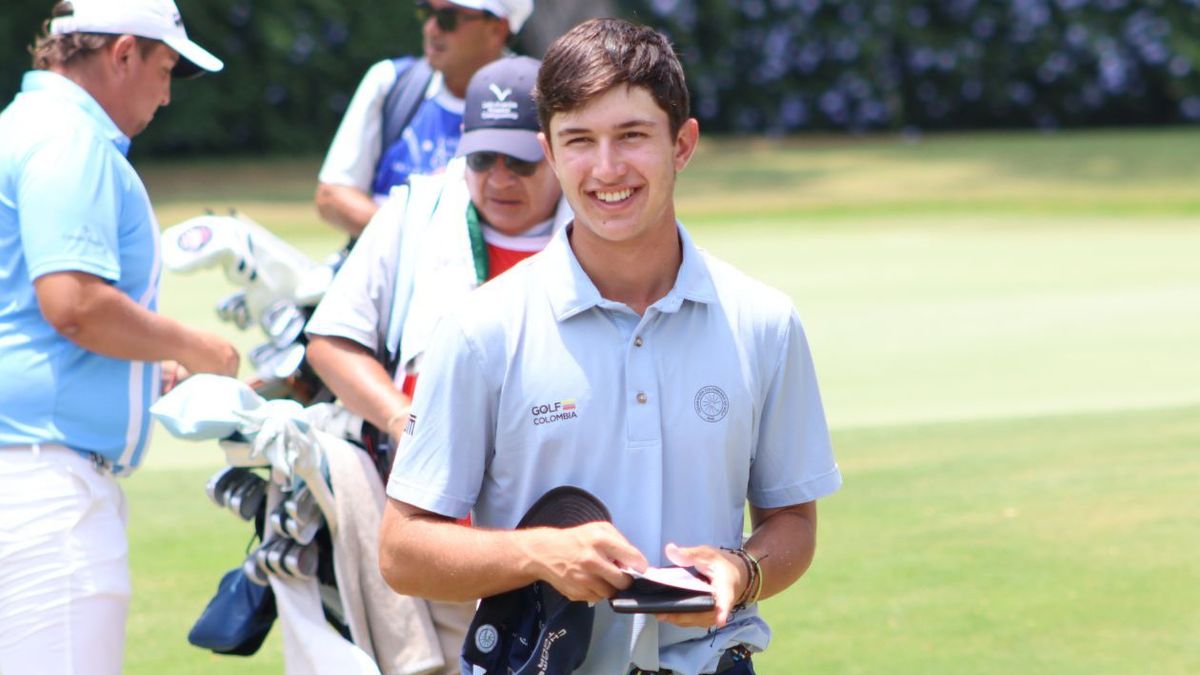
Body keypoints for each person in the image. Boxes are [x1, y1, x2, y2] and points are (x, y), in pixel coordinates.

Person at [377, 17, 843, 674]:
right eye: (579, 140)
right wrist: (539, 555)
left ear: (682, 144)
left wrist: (742, 570)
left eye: (632, 136)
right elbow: (401, 551)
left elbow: (793, 520)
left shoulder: (764, 320)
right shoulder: (481, 328)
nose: (606, 168)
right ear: (551, 150)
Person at [305, 55, 567, 667]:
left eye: (520, 160)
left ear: (556, 147)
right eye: (481, 159)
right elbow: (331, 343)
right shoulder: (413, 211)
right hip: (432, 539)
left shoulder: (602, 223)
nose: (499, 177)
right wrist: (402, 419)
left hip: (561, 537)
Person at [0, 1, 239, 674]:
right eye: (165, 70)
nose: (166, 96)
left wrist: (140, 373)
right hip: (45, 493)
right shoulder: (68, 139)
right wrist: (197, 349)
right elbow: (72, 302)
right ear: (124, 52)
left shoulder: (22, 125)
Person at [315, 0, 535, 238]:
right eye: (427, 12)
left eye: (448, 18)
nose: (431, 28)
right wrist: (410, 244)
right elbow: (332, 195)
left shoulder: (538, 97)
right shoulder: (391, 82)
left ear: (497, 28)